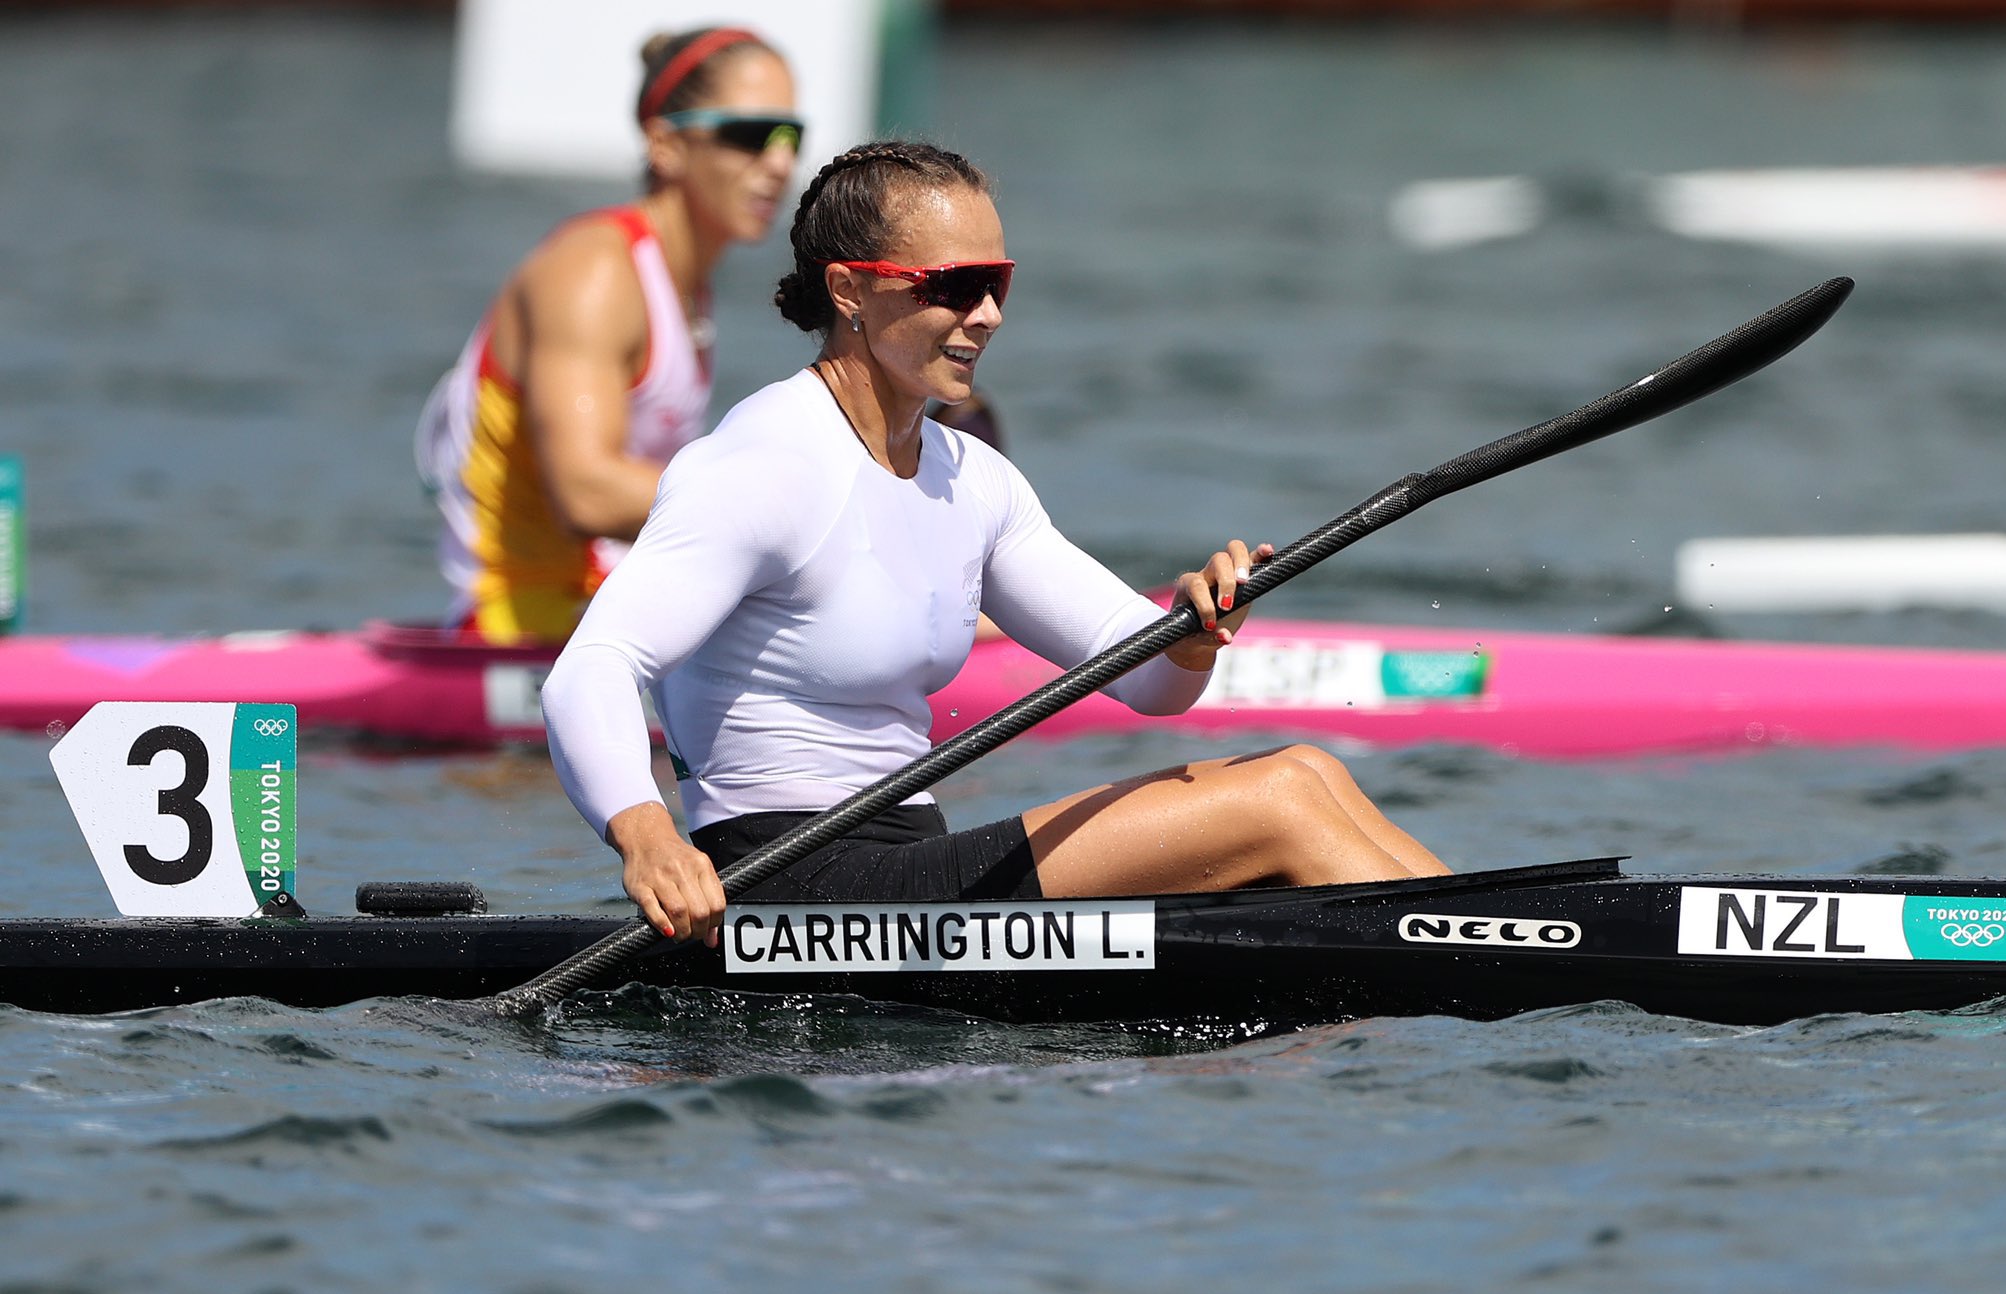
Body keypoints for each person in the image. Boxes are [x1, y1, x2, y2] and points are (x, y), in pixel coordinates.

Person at [541, 140, 1449, 943]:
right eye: (952, 286)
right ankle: (1499, 963)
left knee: (1310, 771)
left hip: (911, 869)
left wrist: (1194, 630)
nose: (987, 315)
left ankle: (1494, 940)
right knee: (1278, 801)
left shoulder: (971, 478)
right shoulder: (762, 465)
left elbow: (1147, 680)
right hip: (784, 886)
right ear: (849, 291)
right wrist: (649, 838)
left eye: (997, 283)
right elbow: (592, 668)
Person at [416, 27, 801, 643]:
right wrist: (787, 512)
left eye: (789, 137)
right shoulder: (594, 273)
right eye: (750, 136)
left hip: (610, 612)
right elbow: (586, 492)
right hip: (518, 628)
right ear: (666, 145)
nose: (780, 163)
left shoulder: (687, 287)